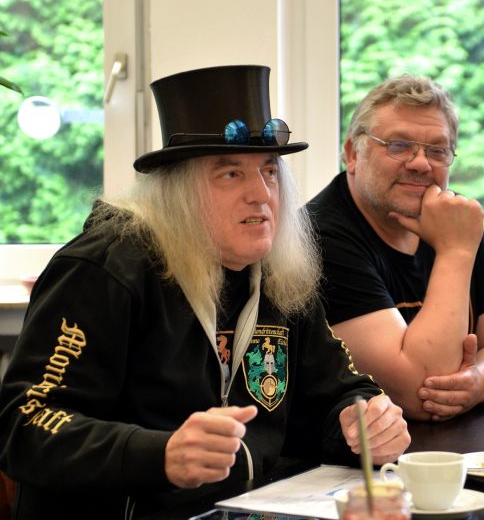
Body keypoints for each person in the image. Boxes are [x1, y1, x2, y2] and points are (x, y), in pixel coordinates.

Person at [0, 65, 410, 518]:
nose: (261, 194)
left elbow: (335, 390)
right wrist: (160, 455)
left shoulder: (280, 272)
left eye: (270, 171)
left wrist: (363, 421)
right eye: (230, 174)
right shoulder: (104, 270)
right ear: (179, 191)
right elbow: (25, 422)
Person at [306, 75, 484, 422]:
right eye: (398, 145)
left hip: (450, 448)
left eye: (437, 150)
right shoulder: (320, 236)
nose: (421, 163)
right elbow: (418, 393)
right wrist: (455, 252)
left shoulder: (453, 222)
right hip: (355, 460)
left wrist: (478, 381)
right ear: (352, 154)